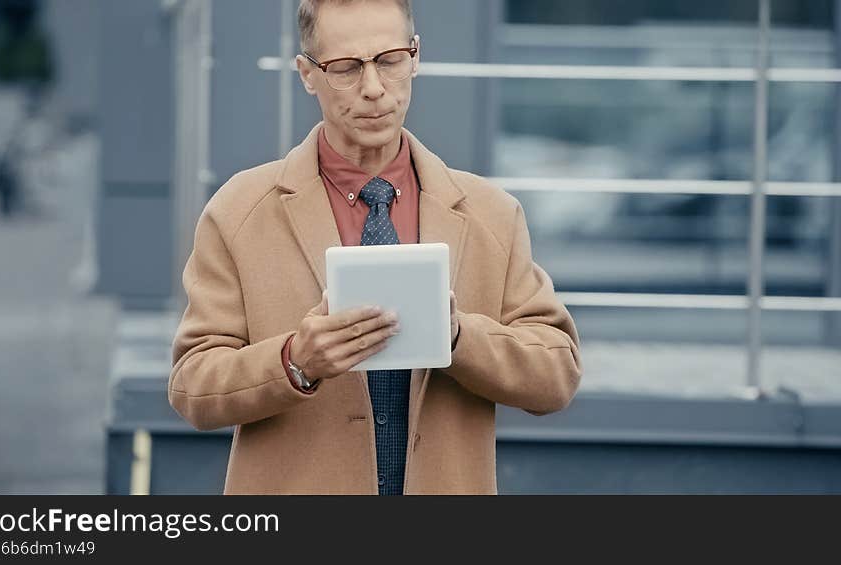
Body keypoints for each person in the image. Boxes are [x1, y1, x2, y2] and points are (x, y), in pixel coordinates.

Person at [169, 0, 582, 495]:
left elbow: (557, 375)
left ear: (415, 57)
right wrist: (295, 361)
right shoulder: (238, 212)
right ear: (306, 74)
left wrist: (457, 337)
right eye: (345, 67)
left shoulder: (493, 214)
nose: (373, 88)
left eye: (389, 60)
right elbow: (192, 386)